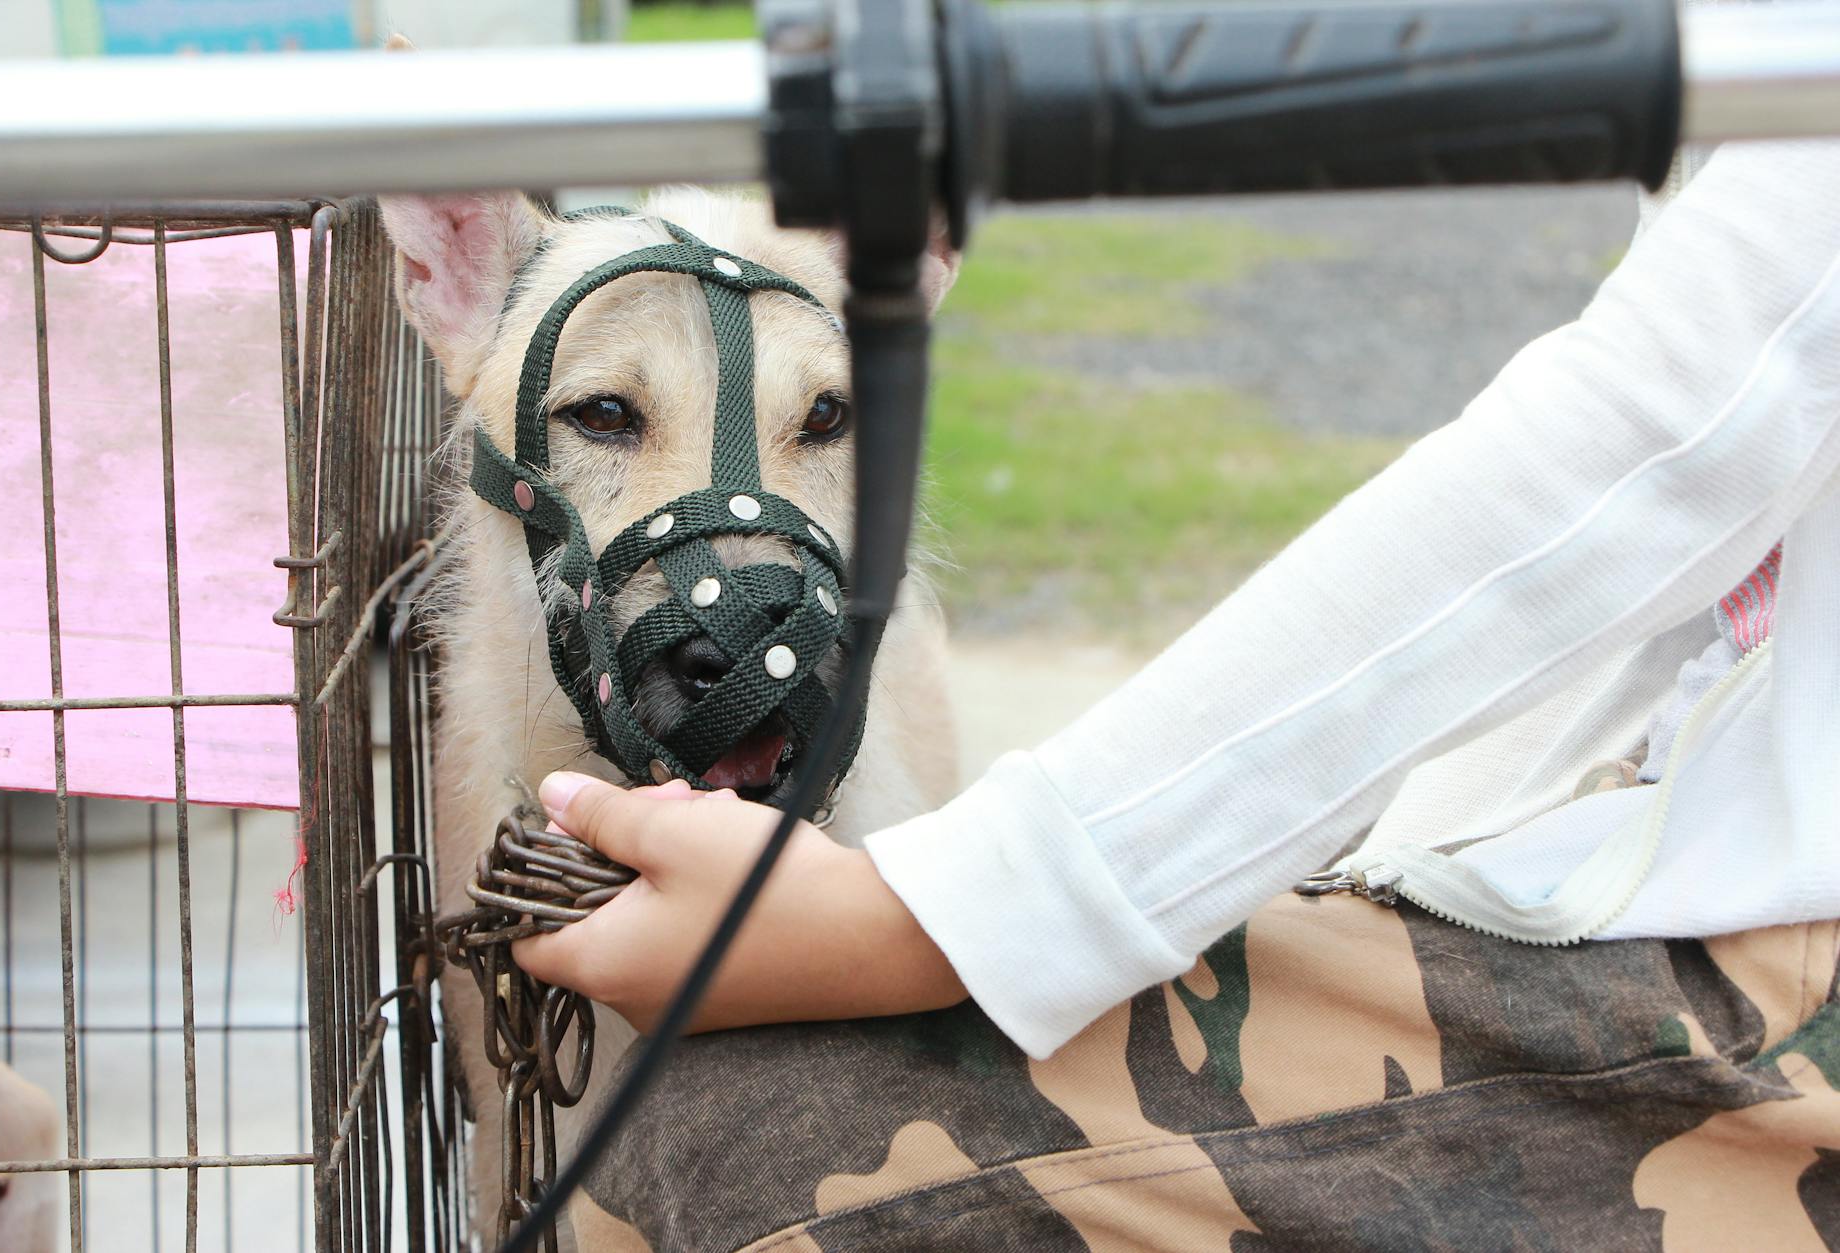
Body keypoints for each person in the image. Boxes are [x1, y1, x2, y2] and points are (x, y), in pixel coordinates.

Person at [517, 138, 1840, 1249]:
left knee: (733, 1154)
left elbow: (1681, 415)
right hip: (1677, 833)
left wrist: (942, 914)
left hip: (1786, 950)